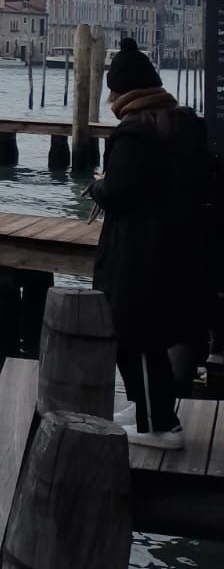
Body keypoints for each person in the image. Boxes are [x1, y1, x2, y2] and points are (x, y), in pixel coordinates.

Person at [91, 39, 209, 449]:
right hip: (174, 246)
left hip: (138, 253)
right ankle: (147, 407)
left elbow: (119, 193)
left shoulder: (133, 134)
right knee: (153, 334)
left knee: (132, 336)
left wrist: (96, 187)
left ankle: (158, 426)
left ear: (123, 92)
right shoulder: (182, 125)